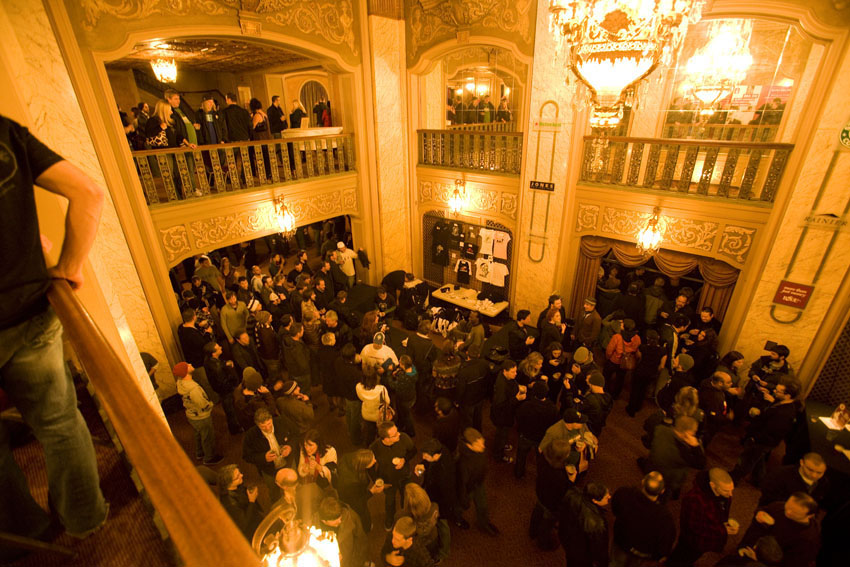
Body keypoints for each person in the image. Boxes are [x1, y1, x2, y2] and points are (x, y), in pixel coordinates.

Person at [0, 115, 109, 545]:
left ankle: (23, 532)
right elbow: (88, 192)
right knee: (62, 422)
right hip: (29, 308)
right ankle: (85, 519)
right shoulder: (5, 132)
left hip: (26, 310)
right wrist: (68, 266)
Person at [732, 376, 801, 486]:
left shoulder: (784, 414)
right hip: (765, 441)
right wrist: (772, 402)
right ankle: (759, 480)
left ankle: (734, 478)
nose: (774, 391)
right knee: (758, 460)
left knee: (746, 460)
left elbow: (770, 431)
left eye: (778, 391)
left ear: (788, 395)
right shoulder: (785, 404)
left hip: (762, 441)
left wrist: (754, 438)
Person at [667, 468, 736, 567]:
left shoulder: (726, 496)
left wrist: (724, 523)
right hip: (693, 542)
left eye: (732, 490)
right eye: (726, 490)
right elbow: (694, 528)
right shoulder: (694, 500)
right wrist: (723, 530)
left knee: (690, 558)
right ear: (712, 485)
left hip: (707, 540)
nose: (730, 494)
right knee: (681, 558)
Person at [609, 472, 676, 567]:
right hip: (643, 553)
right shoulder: (665, 518)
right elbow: (665, 543)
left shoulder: (624, 494)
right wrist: (659, 556)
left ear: (643, 482)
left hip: (621, 542)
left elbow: (615, 509)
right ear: (662, 491)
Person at [737, 493, 820, 567]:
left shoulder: (808, 539)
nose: (787, 512)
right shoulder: (781, 507)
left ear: (810, 516)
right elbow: (764, 508)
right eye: (787, 507)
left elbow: (793, 563)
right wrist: (760, 512)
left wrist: (760, 559)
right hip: (754, 545)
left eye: (794, 512)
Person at [530, 439, 577, 550]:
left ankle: (532, 532)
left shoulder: (543, 458)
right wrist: (571, 481)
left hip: (540, 492)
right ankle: (543, 543)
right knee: (547, 524)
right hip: (551, 504)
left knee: (537, 511)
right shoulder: (559, 476)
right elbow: (563, 493)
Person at [645, 415, 705, 500]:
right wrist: (696, 446)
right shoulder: (684, 452)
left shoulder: (660, 429)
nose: (694, 434)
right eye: (694, 432)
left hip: (652, 468)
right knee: (664, 495)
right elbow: (701, 464)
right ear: (687, 433)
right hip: (670, 479)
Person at [369, 421, 416, 531]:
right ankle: (390, 519)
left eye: (397, 431)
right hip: (387, 480)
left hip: (405, 476)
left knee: (407, 498)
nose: (399, 434)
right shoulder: (374, 447)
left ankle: (408, 518)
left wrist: (405, 460)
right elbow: (370, 467)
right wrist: (376, 480)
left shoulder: (404, 438)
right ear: (386, 439)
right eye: (395, 435)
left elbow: (413, 451)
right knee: (389, 501)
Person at [174, 362, 223, 465]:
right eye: (188, 365)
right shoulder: (193, 389)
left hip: (191, 415)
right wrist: (210, 404)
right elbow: (202, 404)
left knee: (198, 434)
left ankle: (200, 453)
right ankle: (209, 457)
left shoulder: (181, 382)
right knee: (207, 436)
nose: (191, 364)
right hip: (201, 416)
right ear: (186, 372)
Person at [242, 408, 294, 501]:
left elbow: (296, 435)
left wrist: (290, 447)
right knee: (274, 492)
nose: (268, 428)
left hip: (288, 464)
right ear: (257, 425)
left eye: (269, 424)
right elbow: (247, 456)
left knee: (291, 486)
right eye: (263, 426)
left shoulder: (282, 422)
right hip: (269, 471)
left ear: (272, 419)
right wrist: (263, 458)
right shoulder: (250, 435)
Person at [457, 428, 499, 536]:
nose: (483, 447)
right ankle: (457, 518)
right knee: (461, 506)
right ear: (469, 446)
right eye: (479, 444)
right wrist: (464, 498)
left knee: (483, 505)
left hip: (478, 483)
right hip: (468, 488)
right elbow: (462, 484)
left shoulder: (478, 451)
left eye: (483, 443)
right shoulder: (463, 463)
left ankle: (483, 524)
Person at [418, 438, 467, 529]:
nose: (423, 457)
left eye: (426, 456)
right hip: (439, 491)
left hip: (440, 498)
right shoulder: (442, 449)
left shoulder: (444, 474)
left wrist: (442, 512)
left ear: (436, 456)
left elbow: (448, 494)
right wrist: (423, 464)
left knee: (443, 521)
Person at [514, 381, 560, 479]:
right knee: (541, 459)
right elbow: (554, 424)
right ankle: (541, 475)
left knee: (521, 456)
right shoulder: (552, 408)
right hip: (542, 438)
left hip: (526, 436)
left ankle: (519, 473)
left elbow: (518, 418)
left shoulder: (526, 406)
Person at [558, 483, 610, 567]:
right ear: (594, 500)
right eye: (606, 496)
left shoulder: (572, 497)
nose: (609, 496)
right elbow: (599, 550)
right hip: (582, 555)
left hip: (569, 543)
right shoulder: (596, 524)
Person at [758, 452, 829, 507]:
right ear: (801, 462)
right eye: (810, 470)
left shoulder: (823, 482)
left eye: (819, 473)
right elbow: (768, 496)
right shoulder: (781, 474)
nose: (814, 475)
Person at [315, 496, 367, 567]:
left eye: (340, 518)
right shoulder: (314, 529)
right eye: (335, 523)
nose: (340, 521)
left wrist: (356, 564)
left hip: (348, 562)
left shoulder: (351, 517)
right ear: (324, 521)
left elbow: (361, 541)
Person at [203, 342, 243, 434]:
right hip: (226, 391)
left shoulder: (209, 360)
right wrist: (233, 383)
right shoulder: (217, 369)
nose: (221, 347)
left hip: (222, 390)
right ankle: (235, 429)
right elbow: (224, 381)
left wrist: (225, 364)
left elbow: (220, 364)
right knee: (231, 410)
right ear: (213, 353)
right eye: (218, 348)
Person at [336, 449, 381, 532]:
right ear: (364, 465)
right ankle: (365, 530)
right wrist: (371, 491)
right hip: (351, 499)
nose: (375, 461)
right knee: (360, 514)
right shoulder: (351, 483)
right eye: (372, 460)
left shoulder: (349, 458)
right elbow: (358, 501)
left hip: (350, 493)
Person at [490, 359, 524, 463]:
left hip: (506, 415)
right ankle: (498, 455)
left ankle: (503, 443)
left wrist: (518, 387)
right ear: (505, 371)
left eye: (516, 371)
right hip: (502, 417)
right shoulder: (501, 386)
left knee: (503, 434)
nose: (516, 374)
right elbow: (500, 406)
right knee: (501, 435)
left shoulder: (507, 378)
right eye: (513, 372)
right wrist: (517, 399)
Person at [626, 329, 666, 416]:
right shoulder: (663, 351)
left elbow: (638, 357)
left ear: (647, 338)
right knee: (643, 390)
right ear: (658, 338)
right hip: (651, 373)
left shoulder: (642, 347)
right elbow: (662, 366)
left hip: (640, 371)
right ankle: (638, 406)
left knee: (635, 390)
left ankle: (631, 409)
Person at [217, 464, 263, 540]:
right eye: (237, 476)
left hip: (256, 519)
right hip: (251, 532)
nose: (242, 475)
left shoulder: (237, 486)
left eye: (240, 473)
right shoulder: (229, 503)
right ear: (229, 483)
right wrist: (252, 501)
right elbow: (244, 524)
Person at [604, 318, 641, 400]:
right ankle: (615, 395)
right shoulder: (637, 338)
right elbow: (636, 350)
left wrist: (608, 358)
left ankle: (605, 391)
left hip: (614, 361)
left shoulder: (617, 337)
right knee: (620, 379)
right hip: (625, 363)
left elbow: (609, 350)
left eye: (622, 324)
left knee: (606, 375)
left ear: (624, 327)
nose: (620, 324)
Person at [357, 368, 391, 443]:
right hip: (379, 415)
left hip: (366, 413)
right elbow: (387, 401)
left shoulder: (358, 387)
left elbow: (360, 398)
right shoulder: (381, 389)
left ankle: (369, 445)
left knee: (369, 433)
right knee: (380, 432)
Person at [581, 371, 613, 437]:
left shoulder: (591, 398)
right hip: (598, 427)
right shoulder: (608, 397)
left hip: (588, 427)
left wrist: (568, 392)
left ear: (592, 383)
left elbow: (579, 408)